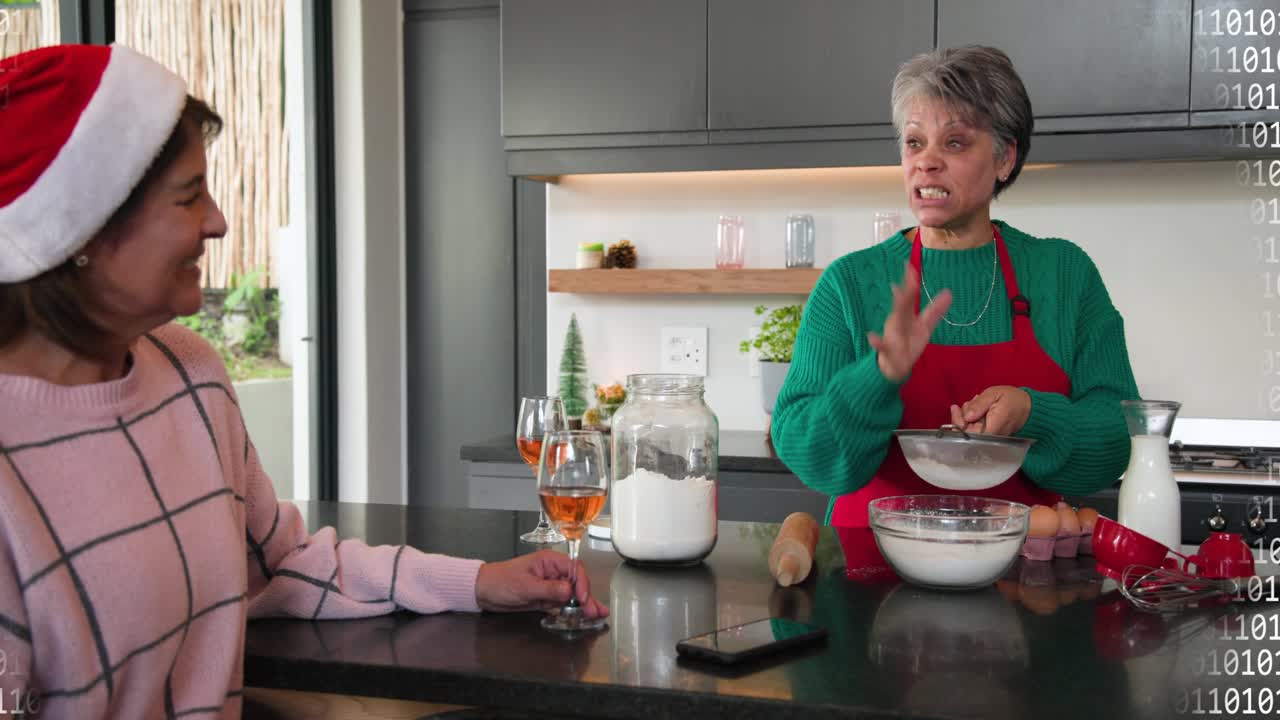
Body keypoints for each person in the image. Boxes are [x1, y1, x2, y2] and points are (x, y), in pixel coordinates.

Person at [0, 43, 606, 718]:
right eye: (188, 197)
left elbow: (284, 564)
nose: (219, 221)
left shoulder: (189, 373)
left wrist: (483, 583)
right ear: (81, 228)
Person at [771, 46, 1140, 527]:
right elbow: (810, 456)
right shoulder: (848, 283)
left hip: (1025, 570)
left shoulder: (1064, 273)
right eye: (913, 143)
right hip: (870, 573)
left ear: (1005, 157)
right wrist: (877, 377)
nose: (926, 163)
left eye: (955, 143)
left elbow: (1117, 437)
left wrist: (1032, 413)